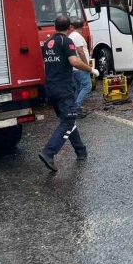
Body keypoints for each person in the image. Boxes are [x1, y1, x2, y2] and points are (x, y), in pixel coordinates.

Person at [39, 15, 97, 172]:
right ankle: (48, 153)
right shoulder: (66, 41)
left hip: (50, 87)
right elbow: (74, 61)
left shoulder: (48, 43)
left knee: (68, 119)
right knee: (68, 121)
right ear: (70, 27)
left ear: (55, 26)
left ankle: (80, 150)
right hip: (63, 88)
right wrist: (90, 69)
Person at [69, 18, 98, 116]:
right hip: (80, 67)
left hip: (74, 67)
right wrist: (86, 66)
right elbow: (80, 51)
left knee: (78, 88)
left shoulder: (71, 36)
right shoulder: (77, 36)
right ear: (83, 27)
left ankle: (75, 107)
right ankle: (76, 108)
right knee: (87, 86)